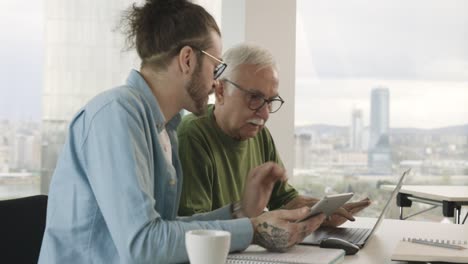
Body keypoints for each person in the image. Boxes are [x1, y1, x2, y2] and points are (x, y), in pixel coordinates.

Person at [38, 1, 328, 263]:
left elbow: (166, 229)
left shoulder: (165, 129)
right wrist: (251, 230)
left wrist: (240, 212)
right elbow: (143, 245)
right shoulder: (117, 114)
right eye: (216, 68)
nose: (217, 83)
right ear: (188, 59)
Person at [177, 43, 370, 226]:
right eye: (254, 97)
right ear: (220, 91)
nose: (265, 113)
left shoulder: (259, 135)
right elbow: (195, 229)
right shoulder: (192, 136)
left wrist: (324, 211)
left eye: (270, 101)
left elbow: (284, 200)